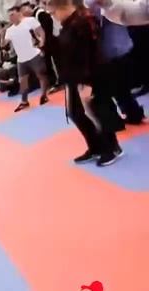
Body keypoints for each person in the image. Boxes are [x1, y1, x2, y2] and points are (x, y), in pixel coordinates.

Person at [49, 0, 124, 166]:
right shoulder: (67, 24)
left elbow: (89, 54)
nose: (52, 14)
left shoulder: (83, 22)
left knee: (98, 111)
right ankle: (95, 146)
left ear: (66, 6)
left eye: (53, 10)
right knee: (76, 113)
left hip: (91, 76)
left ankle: (112, 148)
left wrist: (86, 82)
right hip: (73, 77)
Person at [87, 0, 146, 124]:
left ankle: (126, 115)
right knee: (120, 87)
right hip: (119, 46)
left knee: (114, 88)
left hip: (109, 50)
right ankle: (133, 113)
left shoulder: (92, 6)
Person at [3, 5, 50, 112]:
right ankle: (24, 101)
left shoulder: (30, 21)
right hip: (21, 59)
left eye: (12, 14)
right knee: (22, 81)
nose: (11, 17)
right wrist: (2, 35)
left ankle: (44, 95)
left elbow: (41, 31)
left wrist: (42, 42)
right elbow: (3, 45)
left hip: (34, 54)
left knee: (41, 75)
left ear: (18, 13)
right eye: (9, 16)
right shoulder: (10, 30)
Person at [22, 1, 62, 90]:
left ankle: (59, 81)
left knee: (54, 61)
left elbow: (47, 28)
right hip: (46, 43)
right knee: (48, 63)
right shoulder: (32, 18)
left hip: (51, 42)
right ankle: (53, 81)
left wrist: (44, 42)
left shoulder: (40, 13)